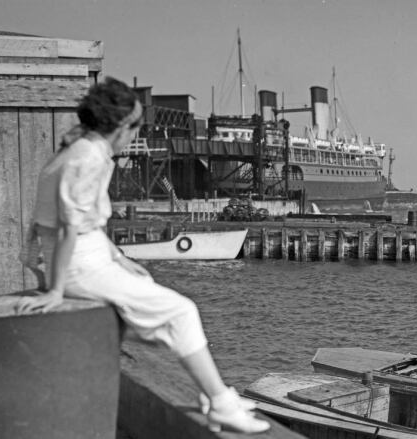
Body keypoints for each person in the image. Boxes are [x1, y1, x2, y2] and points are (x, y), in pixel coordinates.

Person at [15, 77, 270, 434]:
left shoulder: (81, 151)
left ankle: (214, 391)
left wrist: (118, 259)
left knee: (149, 290)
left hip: (89, 258)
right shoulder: (88, 158)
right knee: (183, 311)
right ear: (119, 126)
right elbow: (68, 229)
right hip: (79, 266)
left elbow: (71, 226)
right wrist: (56, 290)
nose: (137, 133)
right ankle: (221, 403)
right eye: (135, 126)